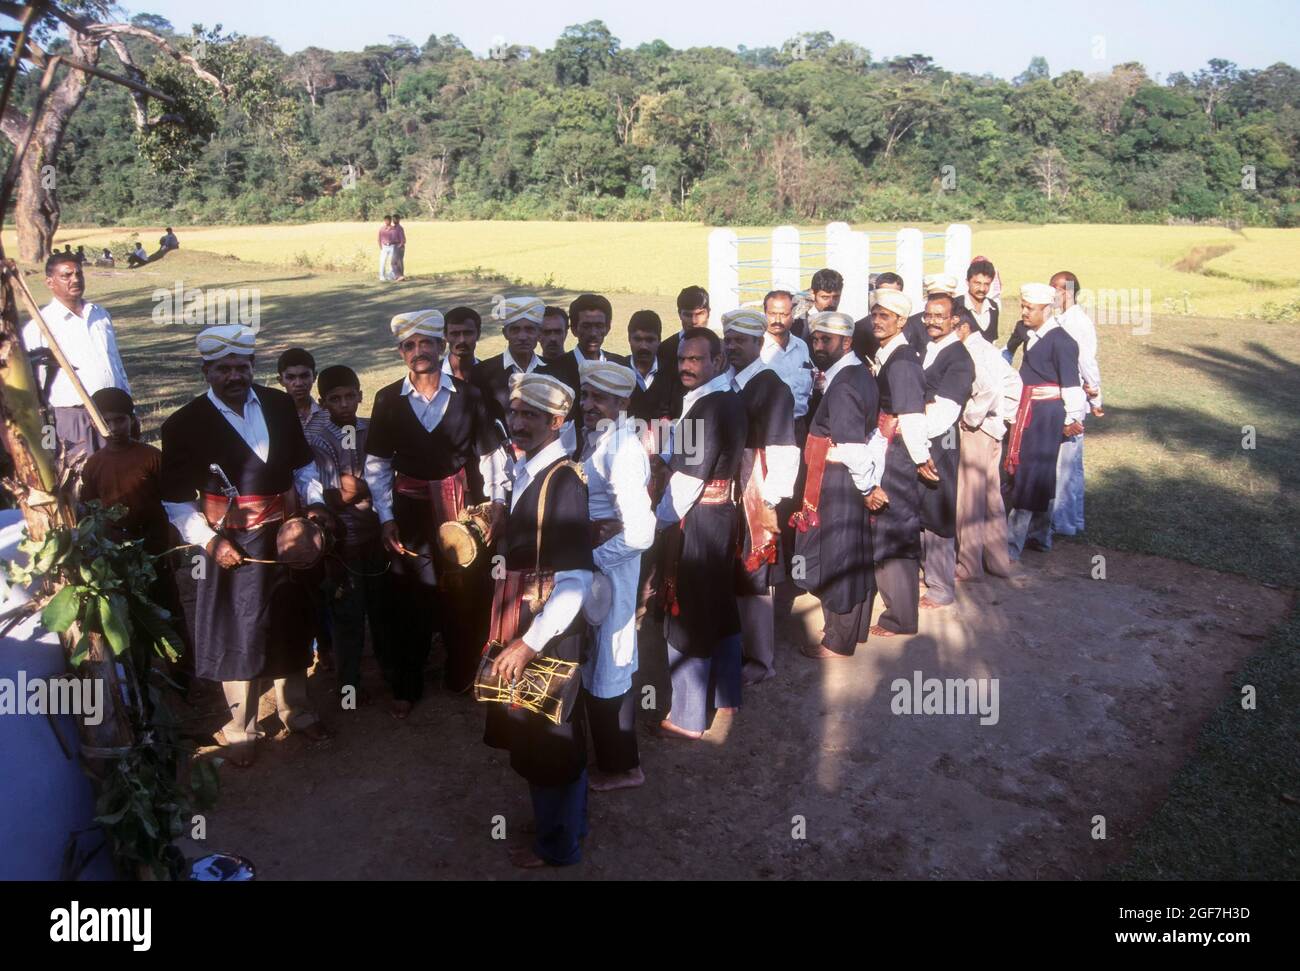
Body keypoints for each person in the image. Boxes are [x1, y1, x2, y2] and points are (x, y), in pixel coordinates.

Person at [159, 324, 335, 768]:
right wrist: (209, 540)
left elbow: (304, 468)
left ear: (253, 367)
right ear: (207, 371)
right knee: (238, 633)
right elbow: (176, 501)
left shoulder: (277, 404)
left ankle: (298, 712)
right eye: (224, 368)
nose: (235, 375)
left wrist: (312, 511)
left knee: (291, 624)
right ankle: (241, 730)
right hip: (230, 546)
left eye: (242, 366)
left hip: (285, 539)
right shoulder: (183, 425)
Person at [364, 310, 507, 712]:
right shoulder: (388, 400)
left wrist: (496, 503)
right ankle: (407, 683)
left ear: (441, 347)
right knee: (411, 593)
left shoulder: (469, 397)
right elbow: (375, 465)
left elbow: (491, 457)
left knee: (464, 591)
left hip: (461, 513)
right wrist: (385, 517)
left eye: (426, 343)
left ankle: (461, 672)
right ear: (400, 353)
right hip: (410, 513)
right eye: (409, 345)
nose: (419, 352)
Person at [481, 372, 593, 868]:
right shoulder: (529, 470)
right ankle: (565, 826)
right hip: (527, 619)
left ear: (557, 421)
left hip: (545, 632)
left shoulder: (563, 482)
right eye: (515, 411)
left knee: (552, 736)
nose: (518, 422)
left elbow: (576, 584)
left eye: (530, 415)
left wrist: (528, 643)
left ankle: (557, 845)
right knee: (541, 731)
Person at [653, 327, 746, 739]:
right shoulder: (723, 399)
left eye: (695, 359)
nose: (687, 367)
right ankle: (727, 695)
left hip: (700, 519)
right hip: (723, 514)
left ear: (717, 361)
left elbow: (688, 479)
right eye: (681, 360)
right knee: (721, 605)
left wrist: (657, 523)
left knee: (688, 609)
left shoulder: (707, 408)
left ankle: (688, 717)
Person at [789, 311, 885, 658]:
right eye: (815, 339)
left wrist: (868, 487)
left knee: (838, 553)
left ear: (845, 342)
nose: (818, 346)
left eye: (825, 340)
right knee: (849, 549)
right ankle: (848, 631)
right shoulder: (856, 372)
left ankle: (837, 640)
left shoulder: (844, 384)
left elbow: (851, 446)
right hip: (844, 477)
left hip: (840, 480)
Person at [577, 361, 654, 791]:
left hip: (612, 568)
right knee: (602, 660)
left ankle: (624, 767)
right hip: (602, 565)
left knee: (611, 662)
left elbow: (640, 532)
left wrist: (595, 558)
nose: (588, 405)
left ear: (623, 403)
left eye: (599, 398)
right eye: (586, 395)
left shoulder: (623, 450)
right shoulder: (601, 439)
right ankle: (614, 759)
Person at [722, 309, 798, 681]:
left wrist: (770, 503)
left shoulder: (773, 388)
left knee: (756, 571)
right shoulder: (728, 382)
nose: (732, 346)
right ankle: (737, 648)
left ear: (758, 342)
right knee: (734, 568)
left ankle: (760, 660)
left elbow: (784, 450)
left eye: (740, 340)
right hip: (730, 489)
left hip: (756, 490)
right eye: (729, 339)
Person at [311, 365, 389, 708]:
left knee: (383, 610)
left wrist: (359, 490)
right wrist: (363, 491)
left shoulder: (371, 429)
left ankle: (391, 676)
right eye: (334, 398)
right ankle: (349, 688)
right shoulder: (316, 437)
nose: (344, 404)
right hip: (342, 541)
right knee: (347, 616)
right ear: (322, 401)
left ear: (360, 394)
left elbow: (384, 476)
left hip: (377, 533)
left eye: (349, 396)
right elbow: (328, 494)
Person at [866, 289, 936, 638]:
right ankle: (897, 607)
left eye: (886, 316)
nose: (878, 321)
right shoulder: (889, 353)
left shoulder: (903, 360)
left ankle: (902, 617)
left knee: (896, 525)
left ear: (901, 321)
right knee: (887, 523)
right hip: (888, 444)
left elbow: (911, 414)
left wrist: (920, 457)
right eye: (875, 314)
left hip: (898, 451)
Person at [22, 250, 132, 467]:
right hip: (71, 417)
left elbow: (115, 363)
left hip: (112, 414)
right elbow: (33, 384)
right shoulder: (41, 325)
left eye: (79, 274)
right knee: (80, 480)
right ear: (50, 282)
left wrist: (130, 409)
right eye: (66, 275)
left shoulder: (100, 314)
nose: (75, 280)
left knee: (116, 475)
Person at [1004, 284, 1086, 560]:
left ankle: (1011, 545)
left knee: (1032, 472)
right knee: (1039, 472)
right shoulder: (1034, 334)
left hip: (1045, 415)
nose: (1024, 312)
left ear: (1046, 309)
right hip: (1029, 408)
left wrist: (1072, 417)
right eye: (1023, 306)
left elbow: (1072, 384)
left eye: (1030, 308)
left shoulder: (1062, 342)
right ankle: (1041, 536)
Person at [1033, 270, 1103, 545]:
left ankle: (1065, 521)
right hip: (1056, 394)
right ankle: (1064, 520)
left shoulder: (1079, 322)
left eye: (1056, 288)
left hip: (1071, 398)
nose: (1052, 293)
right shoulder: (1057, 319)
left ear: (1068, 291)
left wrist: (1095, 397)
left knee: (1069, 464)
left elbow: (1087, 362)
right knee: (1062, 462)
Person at [916, 292, 975, 611]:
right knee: (921, 507)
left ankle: (941, 588)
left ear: (955, 320)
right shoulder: (929, 349)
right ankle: (926, 574)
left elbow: (943, 412)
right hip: (921, 440)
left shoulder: (959, 359)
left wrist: (920, 446)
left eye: (940, 316)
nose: (932, 321)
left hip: (938, 442)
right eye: (928, 315)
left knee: (938, 510)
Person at [954, 310, 1021, 582]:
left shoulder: (973, 352)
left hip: (978, 429)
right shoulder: (987, 349)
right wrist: (1006, 417)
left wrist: (971, 418)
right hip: (994, 429)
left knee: (969, 496)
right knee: (991, 495)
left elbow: (990, 389)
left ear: (963, 327)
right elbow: (1014, 382)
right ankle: (998, 561)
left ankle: (969, 566)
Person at [79, 387, 168, 556]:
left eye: (120, 420)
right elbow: (91, 507)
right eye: (106, 422)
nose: (113, 428)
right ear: (93, 422)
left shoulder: (151, 456)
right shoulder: (93, 464)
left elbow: (171, 498)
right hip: (113, 544)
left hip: (154, 537)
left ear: (132, 420)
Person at [470, 296, 545, 425]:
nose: (522, 337)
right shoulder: (482, 373)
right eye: (515, 330)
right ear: (505, 333)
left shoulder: (554, 370)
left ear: (539, 334)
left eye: (529, 329)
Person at [655, 285, 710, 419]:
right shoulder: (665, 349)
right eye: (688, 314)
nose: (694, 321)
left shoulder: (721, 348)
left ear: (708, 312)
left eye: (699, 314)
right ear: (679, 313)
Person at [852, 271, 905, 361]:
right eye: (883, 294)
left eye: (893, 294)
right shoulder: (860, 329)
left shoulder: (913, 325)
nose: (887, 299)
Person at [901, 275, 953, 356]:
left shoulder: (961, 320)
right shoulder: (913, 323)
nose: (932, 322)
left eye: (943, 298)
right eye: (934, 297)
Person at [790, 268, 843, 341]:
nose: (832, 303)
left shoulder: (844, 325)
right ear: (812, 294)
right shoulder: (798, 326)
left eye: (836, 297)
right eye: (825, 297)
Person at [955, 258, 1000, 343]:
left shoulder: (993, 307)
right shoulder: (955, 305)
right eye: (977, 283)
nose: (982, 289)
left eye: (987, 284)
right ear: (967, 282)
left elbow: (992, 341)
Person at [442, 306, 481, 381]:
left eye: (468, 333)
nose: (461, 340)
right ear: (445, 336)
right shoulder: (433, 374)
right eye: (455, 334)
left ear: (478, 334)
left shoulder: (490, 375)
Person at [377, 215, 395, 282]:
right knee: (382, 261)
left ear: (391, 220)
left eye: (389, 220)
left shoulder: (393, 229)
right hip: (384, 246)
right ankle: (382, 276)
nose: (387, 221)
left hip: (392, 246)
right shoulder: (382, 229)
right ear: (384, 221)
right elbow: (379, 238)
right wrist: (381, 247)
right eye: (386, 220)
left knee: (392, 262)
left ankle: (390, 276)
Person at [390, 216, 406, 281]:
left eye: (395, 219)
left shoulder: (399, 228)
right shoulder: (394, 228)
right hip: (395, 245)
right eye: (393, 219)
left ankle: (399, 275)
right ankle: (401, 276)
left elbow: (403, 238)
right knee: (399, 262)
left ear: (399, 219)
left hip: (398, 245)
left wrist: (400, 245)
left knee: (394, 262)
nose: (394, 221)